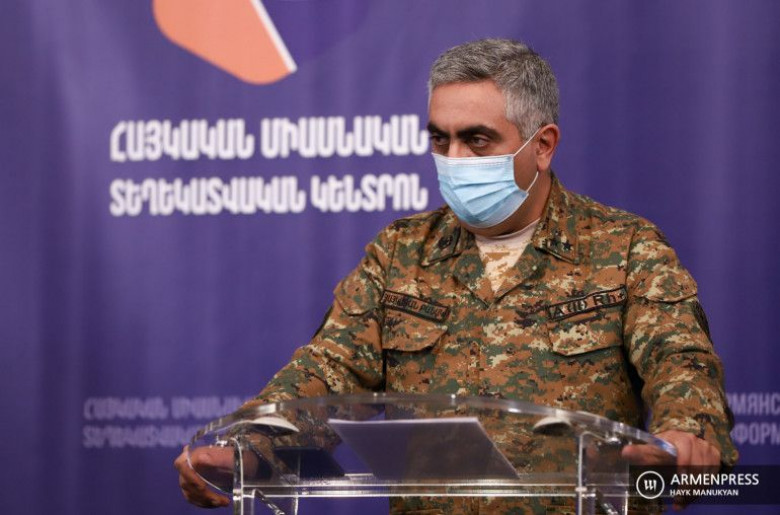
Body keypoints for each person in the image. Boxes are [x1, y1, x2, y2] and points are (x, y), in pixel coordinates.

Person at [175, 38, 736, 513]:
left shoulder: (625, 247)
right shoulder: (400, 253)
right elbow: (328, 371)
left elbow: (680, 361)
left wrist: (687, 432)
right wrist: (250, 446)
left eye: (477, 139)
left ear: (542, 146)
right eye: (439, 140)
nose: (454, 158)